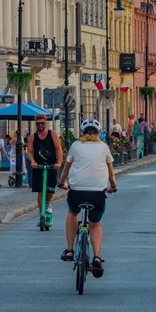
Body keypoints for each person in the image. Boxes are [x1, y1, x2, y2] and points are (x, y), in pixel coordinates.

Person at [57, 118, 117, 277]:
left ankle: (69, 250)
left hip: (77, 192)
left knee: (72, 213)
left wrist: (62, 183)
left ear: (82, 133)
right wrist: (113, 186)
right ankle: (97, 257)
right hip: (98, 193)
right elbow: (111, 172)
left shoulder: (76, 146)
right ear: (98, 133)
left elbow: (66, 169)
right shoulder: (104, 147)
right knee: (95, 225)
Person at [27, 114, 62, 213]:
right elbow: (29, 151)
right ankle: (41, 213)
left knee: (49, 192)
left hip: (51, 166)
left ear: (45, 123)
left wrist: (59, 162)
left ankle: (47, 204)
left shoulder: (52, 134)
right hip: (38, 166)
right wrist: (33, 161)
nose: (40, 125)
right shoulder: (32, 137)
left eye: (42, 123)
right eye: (38, 124)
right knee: (40, 191)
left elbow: (58, 148)